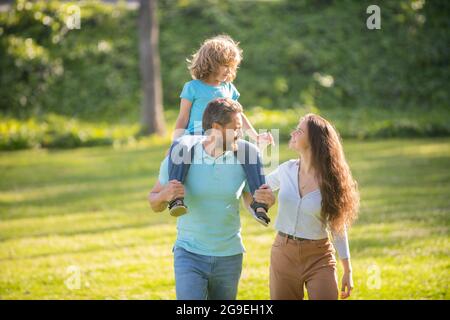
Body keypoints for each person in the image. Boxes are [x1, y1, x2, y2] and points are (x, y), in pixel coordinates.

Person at [148, 98, 275, 300]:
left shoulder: (245, 156)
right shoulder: (182, 154)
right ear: (216, 128)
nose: (241, 134)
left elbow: (251, 201)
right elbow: (154, 202)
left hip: (230, 255)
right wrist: (165, 195)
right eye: (237, 128)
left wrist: (265, 200)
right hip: (189, 254)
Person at [167, 35, 273, 226]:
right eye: (226, 66)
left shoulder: (228, 88)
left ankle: (259, 201)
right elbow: (183, 117)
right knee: (181, 146)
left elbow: (239, 115)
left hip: (225, 136)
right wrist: (175, 141)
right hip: (196, 136)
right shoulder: (192, 88)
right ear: (211, 63)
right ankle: (176, 199)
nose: (229, 71)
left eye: (232, 67)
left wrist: (255, 136)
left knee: (251, 152)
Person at [254, 113, 359, 300]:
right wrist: (259, 149)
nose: (293, 133)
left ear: (314, 140)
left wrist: (347, 270)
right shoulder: (286, 169)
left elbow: (337, 226)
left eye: (299, 131)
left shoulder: (331, 180)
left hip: (319, 257)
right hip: (283, 253)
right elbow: (258, 185)